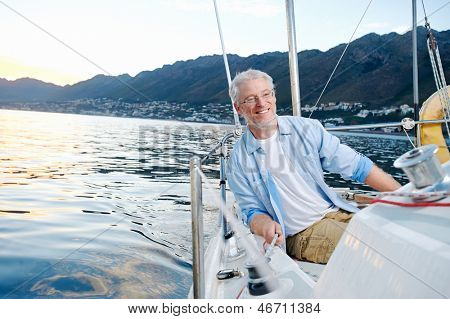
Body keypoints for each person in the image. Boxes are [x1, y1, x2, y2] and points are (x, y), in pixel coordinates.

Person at [226, 69, 401, 264]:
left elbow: (357, 166)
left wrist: (405, 195)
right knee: (380, 248)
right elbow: (251, 211)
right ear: (238, 108)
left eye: (266, 94)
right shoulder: (237, 161)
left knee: (402, 234)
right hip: (301, 233)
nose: (261, 103)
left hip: (338, 212)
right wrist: (265, 224)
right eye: (250, 99)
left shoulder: (306, 128)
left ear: (273, 96)